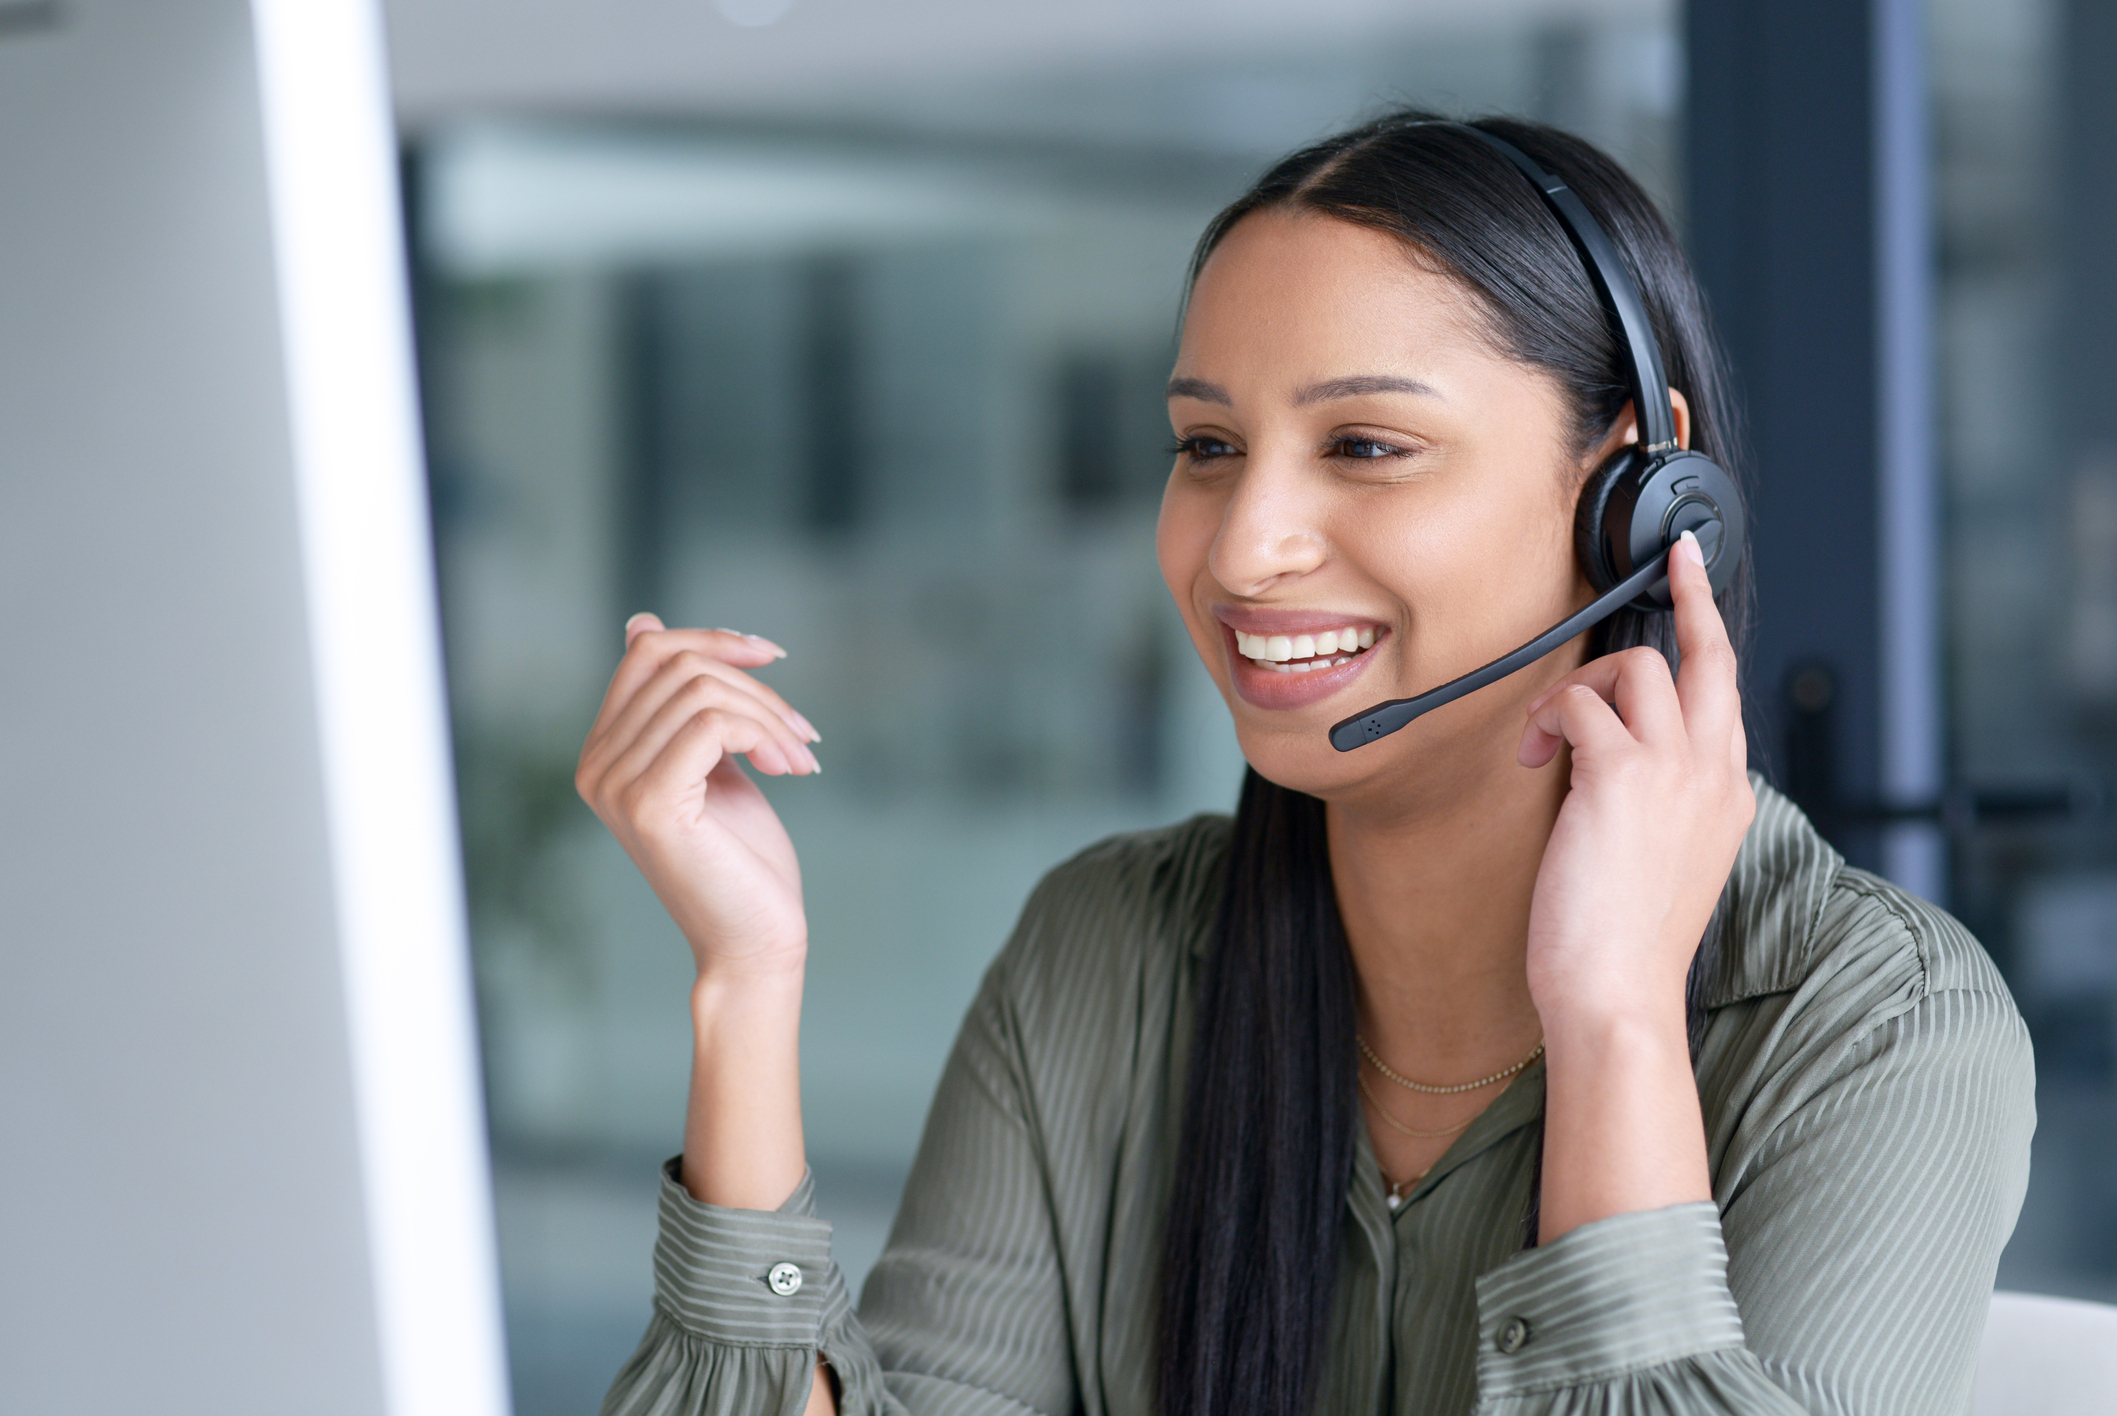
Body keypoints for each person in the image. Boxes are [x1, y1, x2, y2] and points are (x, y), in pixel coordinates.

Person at [574, 112, 2034, 1416]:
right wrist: (744, 983)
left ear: (1640, 494)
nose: (1242, 545)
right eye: (1205, 446)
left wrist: (1613, 1024)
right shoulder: (1108, 955)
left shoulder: (1876, 1029)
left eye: (1364, 444)